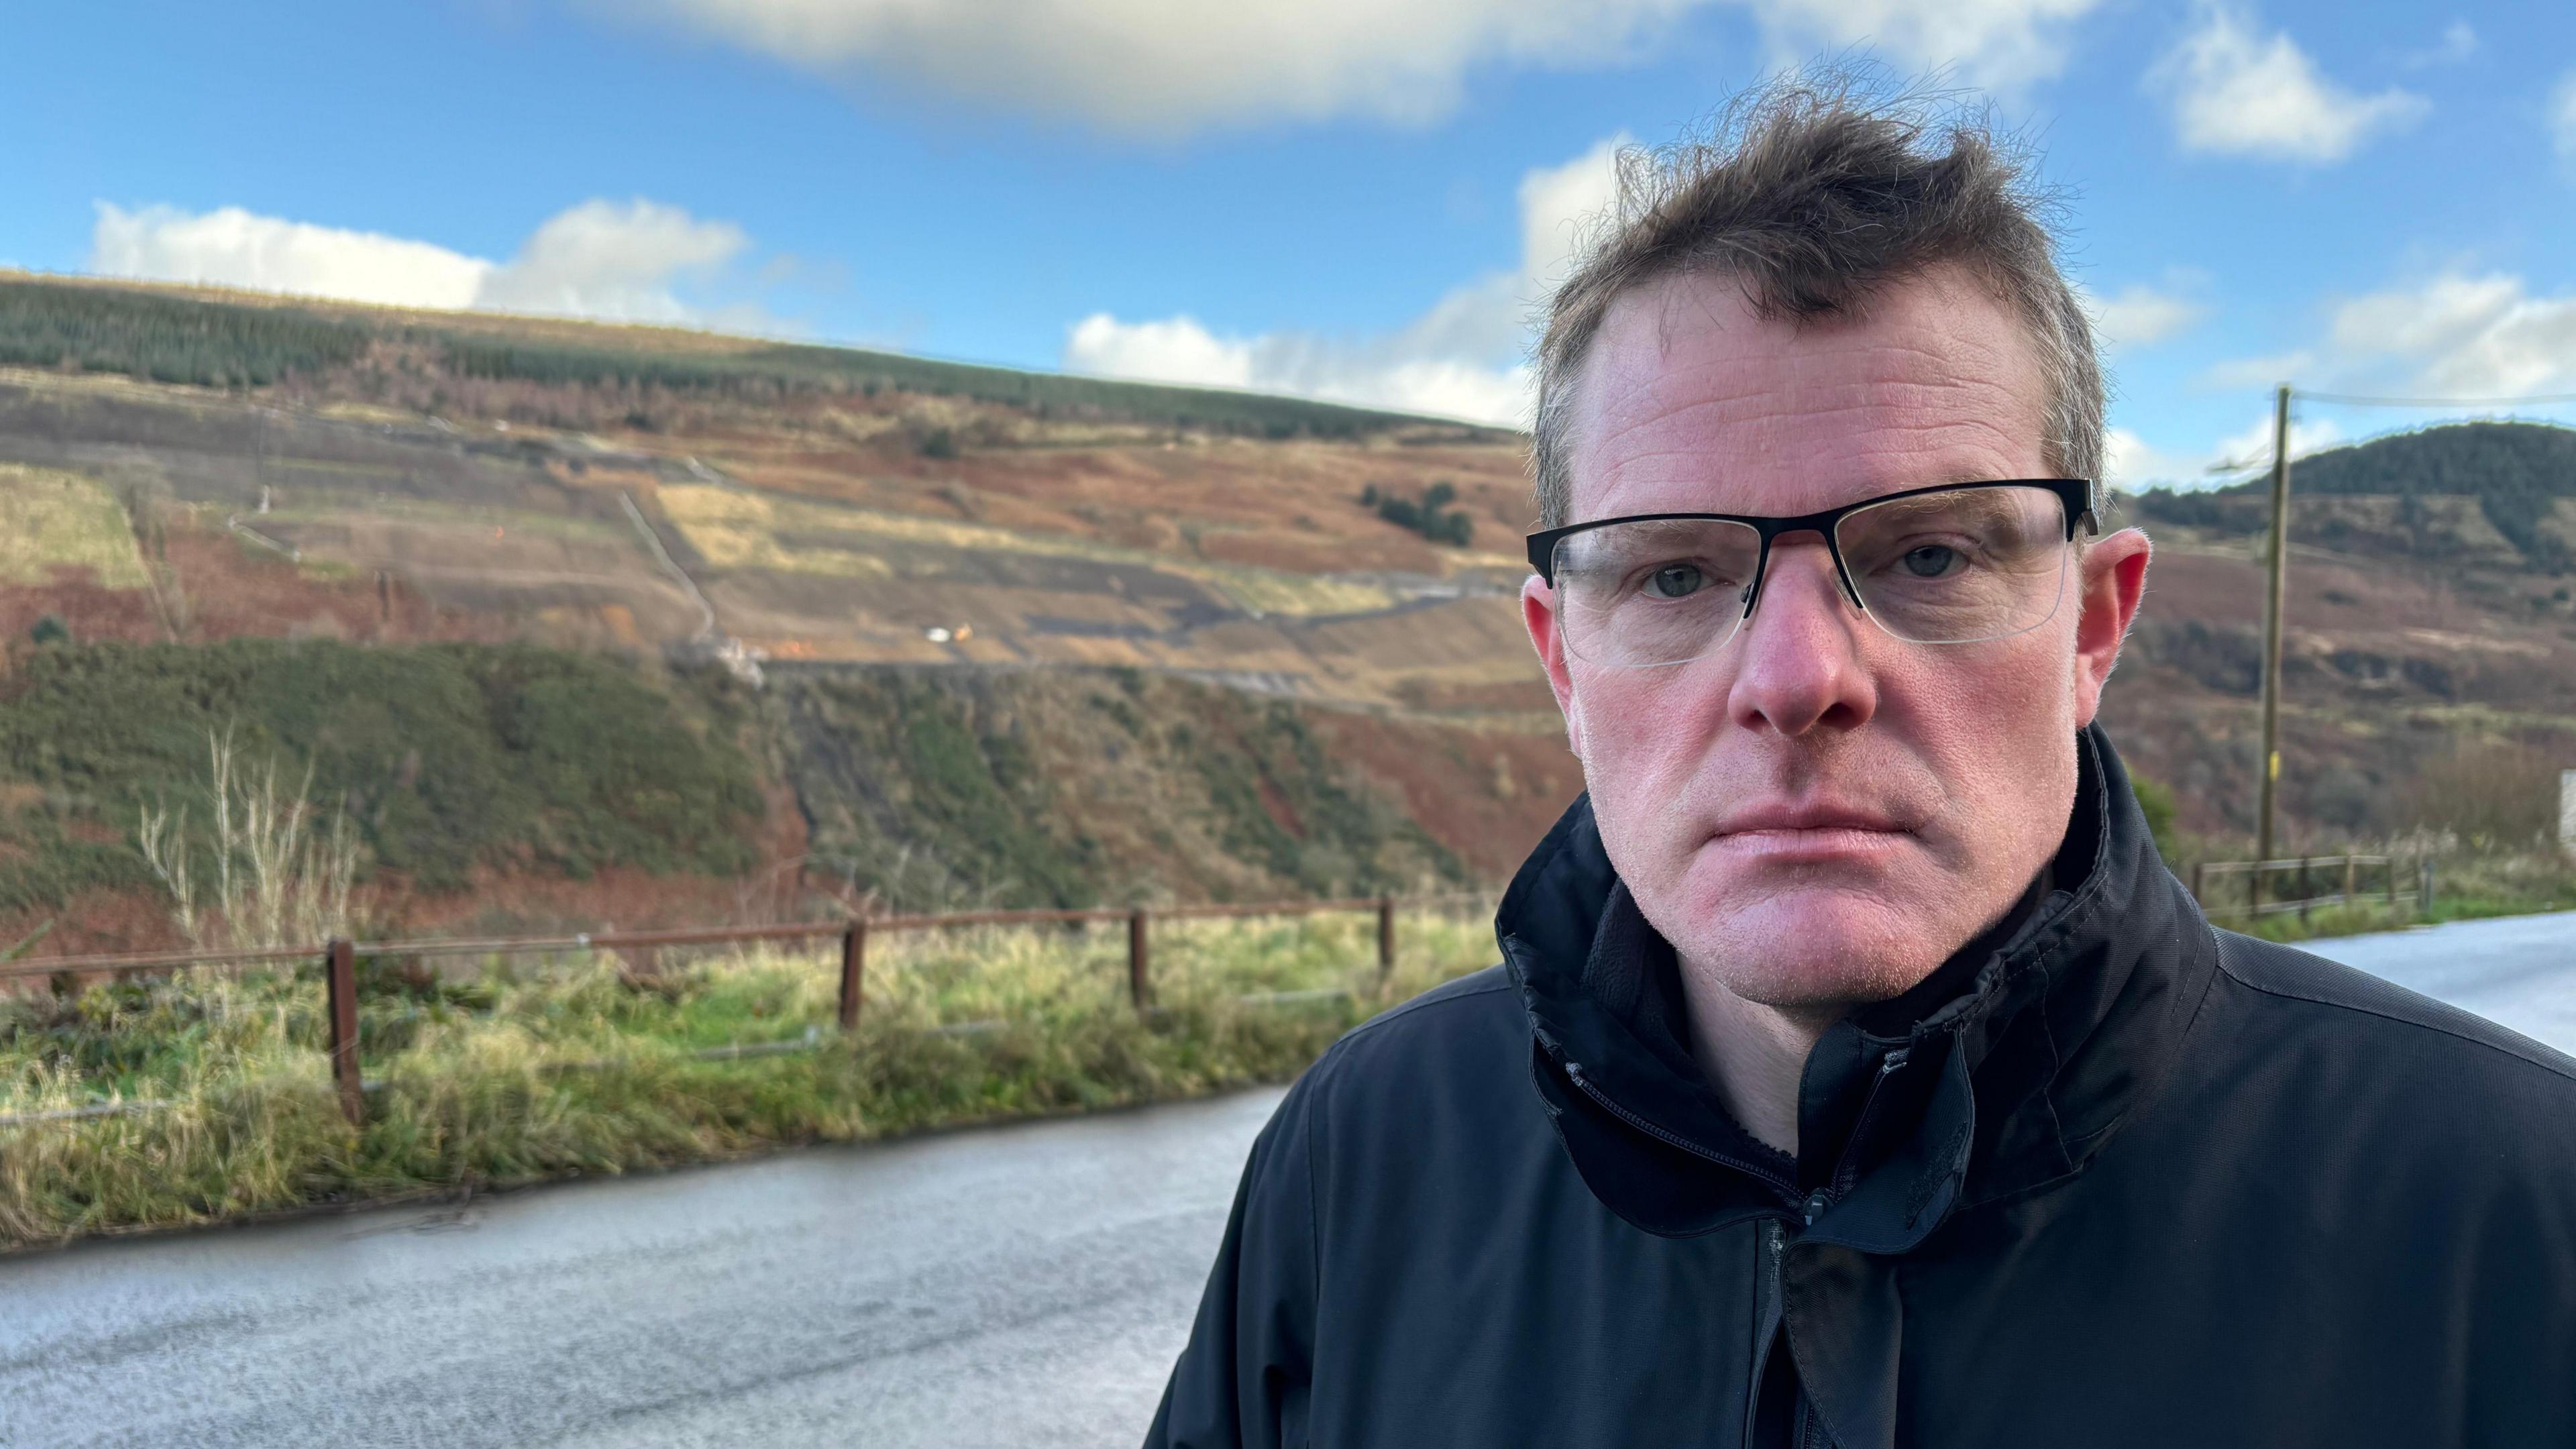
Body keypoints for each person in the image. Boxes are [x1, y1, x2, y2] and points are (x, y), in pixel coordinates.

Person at [1143, 74, 2576, 1449]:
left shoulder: (2513, 1213)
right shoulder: (1362, 1164)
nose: (1797, 678)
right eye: (1676, 577)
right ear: (1561, 660)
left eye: (1932, 552)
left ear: (2093, 622)